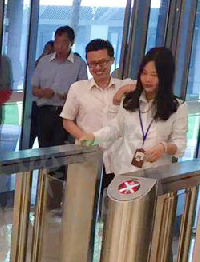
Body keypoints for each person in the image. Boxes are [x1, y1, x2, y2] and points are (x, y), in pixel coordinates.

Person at [74, 46, 187, 175]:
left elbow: (180, 145)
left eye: (154, 75)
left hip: (155, 173)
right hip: (125, 171)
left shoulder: (178, 107)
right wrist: (94, 137)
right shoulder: (129, 101)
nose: (147, 79)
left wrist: (164, 147)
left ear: (165, 77)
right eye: (144, 73)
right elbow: (115, 128)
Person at [61, 38, 135, 193]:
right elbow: (67, 121)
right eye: (92, 64)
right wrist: (85, 138)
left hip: (117, 158)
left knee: (114, 200)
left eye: (103, 62)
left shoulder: (125, 86)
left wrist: (122, 92)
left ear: (112, 60)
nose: (98, 68)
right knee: (83, 199)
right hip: (87, 156)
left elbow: (151, 86)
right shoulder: (78, 89)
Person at [30, 26, 87, 205]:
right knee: (44, 152)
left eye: (64, 43)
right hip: (44, 111)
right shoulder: (44, 61)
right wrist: (43, 92)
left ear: (72, 43)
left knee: (59, 154)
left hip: (64, 115)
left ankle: (55, 198)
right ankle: (42, 194)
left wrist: (68, 96)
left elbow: (83, 91)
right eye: (57, 42)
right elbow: (33, 88)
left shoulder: (78, 64)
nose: (59, 46)